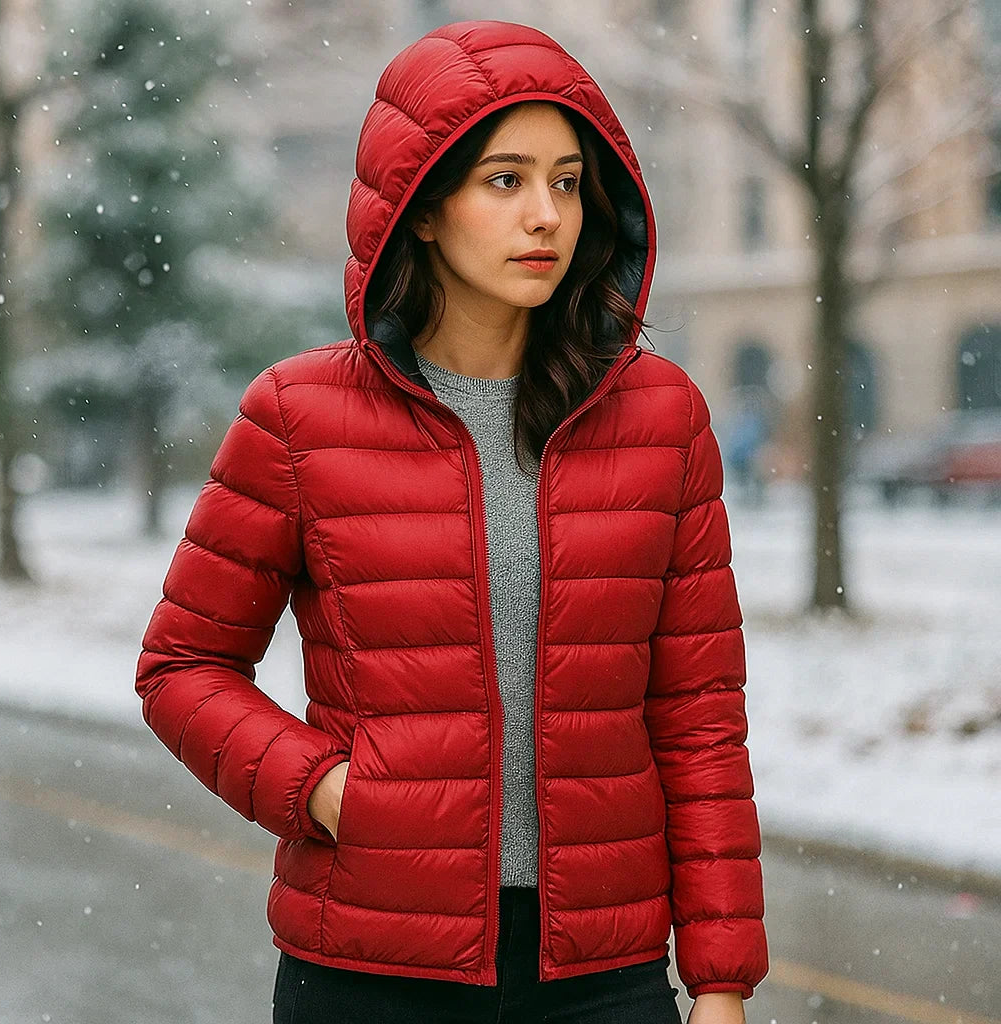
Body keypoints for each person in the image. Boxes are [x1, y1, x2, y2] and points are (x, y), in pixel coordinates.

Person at [135, 19, 769, 1024]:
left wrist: (722, 979)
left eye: (568, 182)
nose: (546, 216)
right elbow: (183, 665)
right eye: (505, 180)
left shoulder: (662, 419)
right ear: (421, 208)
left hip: (603, 980)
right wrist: (323, 789)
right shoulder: (298, 418)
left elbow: (697, 719)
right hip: (370, 971)